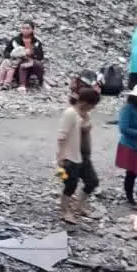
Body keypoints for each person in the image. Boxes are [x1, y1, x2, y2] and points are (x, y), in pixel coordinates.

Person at [57, 86, 101, 223]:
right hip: (70, 155)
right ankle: (65, 211)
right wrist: (60, 157)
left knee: (92, 181)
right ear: (85, 103)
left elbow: (84, 133)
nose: (92, 108)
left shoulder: (86, 115)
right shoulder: (70, 113)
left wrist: (86, 129)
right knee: (70, 184)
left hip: (84, 155)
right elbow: (61, 136)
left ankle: (79, 206)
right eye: (92, 105)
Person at [0, 21, 46, 91]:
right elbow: (6, 52)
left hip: (31, 64)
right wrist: (14, 56)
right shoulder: (15, 41)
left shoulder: (36, 42)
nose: (25, 30)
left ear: (32, 30)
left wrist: (32, 57)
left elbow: (40, 56)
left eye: (27, 28)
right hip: (18, 65)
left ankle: (41, 81)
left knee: (38, 64)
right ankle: (19, 84)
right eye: (23, 28)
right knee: (14, 65)